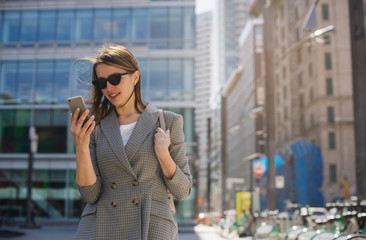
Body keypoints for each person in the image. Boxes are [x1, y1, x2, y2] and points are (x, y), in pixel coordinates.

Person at [70, 44, 192, 239]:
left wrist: (163, 154)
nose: (109, 88)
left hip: (150, 226)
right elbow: (90, 195)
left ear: (135, 77)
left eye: (115, 79)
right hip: (102, 225)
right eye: (102, 83)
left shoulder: (168, 121)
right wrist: (81, 146)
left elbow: (183, 190)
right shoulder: (97, 128)